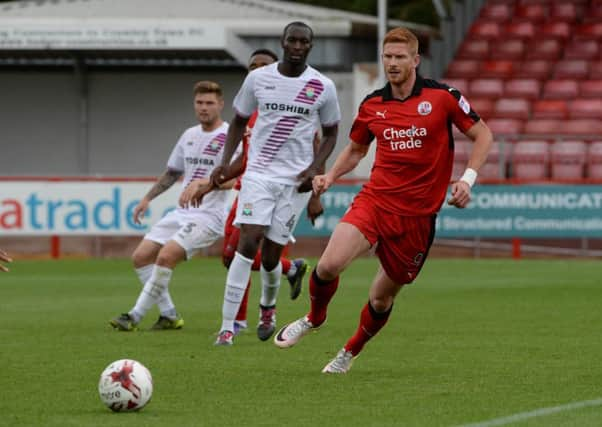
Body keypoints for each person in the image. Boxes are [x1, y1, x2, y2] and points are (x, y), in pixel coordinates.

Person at [273, 27, 493, 373]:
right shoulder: (373, 104)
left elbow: (483, 135)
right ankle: (314, 318)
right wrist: (330, 176)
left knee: (381, 297)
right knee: (329, 264)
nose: (392, 63)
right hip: (376, 201)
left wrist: (468, 179)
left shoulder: (443, 97)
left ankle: (349, 351)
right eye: (387, 57)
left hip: (418, 218)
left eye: (399, 57)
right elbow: (357, 148)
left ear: (415, 60)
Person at [209, 21, 341, 345]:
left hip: (295, 184)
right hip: (258, 175)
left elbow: (332, 133)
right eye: (292, 40)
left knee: (270, 257)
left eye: (303, 42)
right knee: (246, 243)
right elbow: (239, 121)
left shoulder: (322, 86)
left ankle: (267, 309)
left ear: (310, 46)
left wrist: (313, 170)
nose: (297, 46)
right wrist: (225, 163)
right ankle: (227, 327)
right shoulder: (258, 79)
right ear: (283, 42)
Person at [181, 48, 324, 339]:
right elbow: (244, 160)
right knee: (233, 254)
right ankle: (232, 324)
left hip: (286, 193)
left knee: (263, 257)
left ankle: (265, 308)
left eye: (264, 66)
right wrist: (211, 183)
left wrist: (315, 196)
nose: (257, 71)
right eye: (253, 66)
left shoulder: (298, 111)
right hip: (251, 190)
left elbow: (316, 157)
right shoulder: (250, 114)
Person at [110, 80, 231, 331]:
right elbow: (172, 172)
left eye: (209, 103)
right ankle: (169, 315)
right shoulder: (189, 135)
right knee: (141, 257)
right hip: (182, 213)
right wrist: (147, 199)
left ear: (220, 104)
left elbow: (238, 178)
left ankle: (134, 315)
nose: (204, 108)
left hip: (209, 216)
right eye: (199, 103)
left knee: (165, 257)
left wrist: (204, 183)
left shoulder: (230, 136)